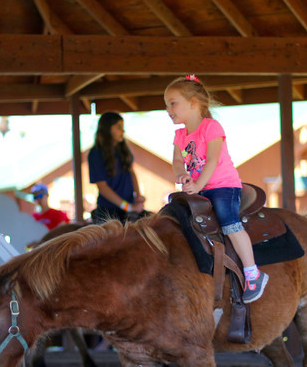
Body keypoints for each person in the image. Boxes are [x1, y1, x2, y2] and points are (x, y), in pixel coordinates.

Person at [164, 75, 268, 303]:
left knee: (228, 221)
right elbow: (177, 160)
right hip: (198, 188)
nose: (168, 109)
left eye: (173, 103)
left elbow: (212, 160)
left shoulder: (211, 127)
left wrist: (199, 184)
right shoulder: (180, 134)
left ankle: (253, 272)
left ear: (193, 103)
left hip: (222, 185)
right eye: (166, 105)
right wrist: (181, 174)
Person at [87, 112, 146, 223]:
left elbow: (132, 173)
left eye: (122, 127)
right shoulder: (96, 154)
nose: (122, 131)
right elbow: (102, 187)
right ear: (107, 129)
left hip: (129, 208)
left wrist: (138, 197)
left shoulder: (123, 150)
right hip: (108, 212)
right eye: (119, 127)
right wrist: (128, 207)